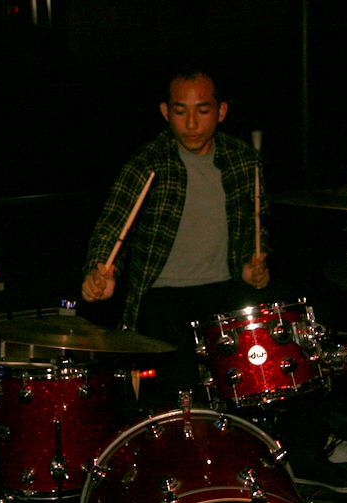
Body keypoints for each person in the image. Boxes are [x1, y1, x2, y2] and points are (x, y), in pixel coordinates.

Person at [80, 62, 271, 413]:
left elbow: (256, 227)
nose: (192, 123)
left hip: (225, 290)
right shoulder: (148, 163)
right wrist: (99, 271)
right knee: (178, 401)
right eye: (181, 112)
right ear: (166, 112)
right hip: (162, 296)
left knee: (252, 386)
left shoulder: (244, 161)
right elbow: (111, 226)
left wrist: (252, 265)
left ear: (221, 111)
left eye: (203, 111)